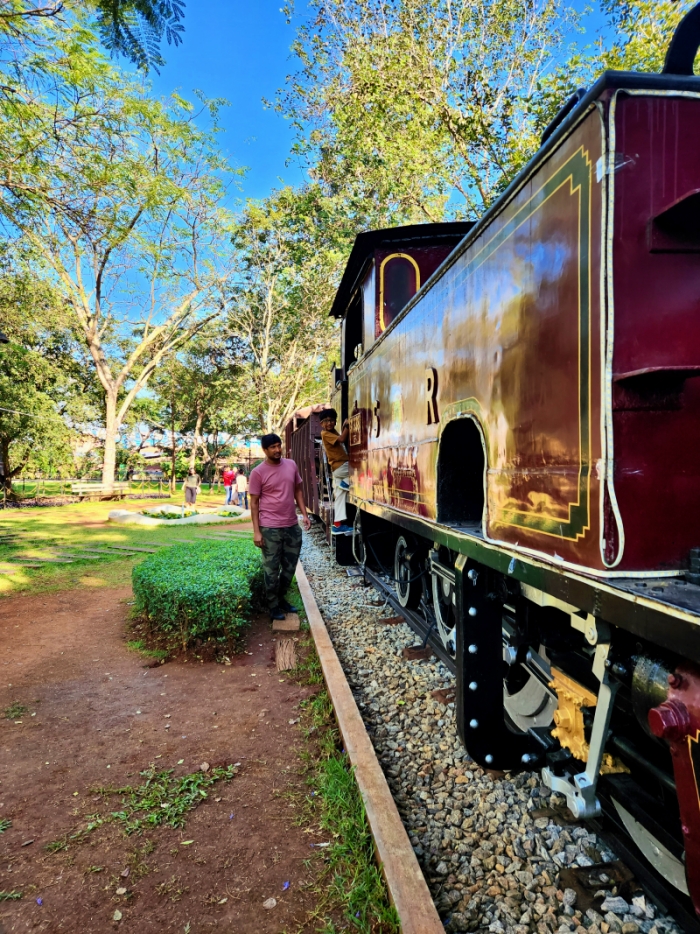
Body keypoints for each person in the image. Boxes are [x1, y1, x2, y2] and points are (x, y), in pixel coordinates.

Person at [249, 433, 311, 621]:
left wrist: (305, 515)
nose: (277, 450)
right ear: (265, 450)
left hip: (291, 525)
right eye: (273, 447)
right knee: (271, 570)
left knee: (290, 567)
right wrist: (257, 531)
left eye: (279, 445)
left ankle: (281, 598)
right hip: (270, 528)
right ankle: (273, 606)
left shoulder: (291, 465)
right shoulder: (258, 472)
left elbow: (298, 490)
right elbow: (254, 503)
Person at [319, 408, 352, 535]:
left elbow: (340, 436)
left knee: (340, 495)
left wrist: (343, 426)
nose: (329, 423)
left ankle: (337, 525)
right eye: (326, 421)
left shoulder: (332, 432)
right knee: (361, 470)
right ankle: (346, 482)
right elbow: (342, 439)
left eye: (332, 420)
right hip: (342, 466)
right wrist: (348, 426)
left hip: (338, 468)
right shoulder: (325, 434)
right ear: (321, 423)